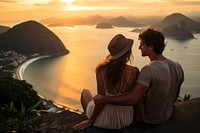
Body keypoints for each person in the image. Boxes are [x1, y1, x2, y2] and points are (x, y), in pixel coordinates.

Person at [94, 28, 184, 125]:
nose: (139, 47)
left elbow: (133, 99)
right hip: (166, 115)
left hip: (149, 118)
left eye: (142, 44)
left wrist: (105, 98)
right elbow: (176, 92)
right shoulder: (177, 66)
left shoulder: (148, 70)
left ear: (150, 47)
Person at [73, 34, 139, 130]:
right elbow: (135, 97)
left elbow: (100, 100)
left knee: (85, 92)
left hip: (104, 120)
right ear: (128, 52)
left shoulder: (101, 70)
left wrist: (90, 121)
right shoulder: (134, 71)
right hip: (126, 119)